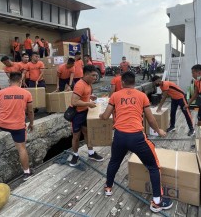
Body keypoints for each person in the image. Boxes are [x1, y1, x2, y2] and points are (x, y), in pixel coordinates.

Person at [99, 71, 172, 213]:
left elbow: (106, 116)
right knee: (153, 166)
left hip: (119, 136)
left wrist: (101, 115)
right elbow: (150, 119)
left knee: (114, 162)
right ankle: (157, 202)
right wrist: (159, 131)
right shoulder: (142, 96)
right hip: (137, 138)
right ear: (133, 82)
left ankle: (108, 187)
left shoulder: (115, 95)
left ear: (123, 82)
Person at [0, 72, 34, 181]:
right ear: (20, 81)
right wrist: (31, 123)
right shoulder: (27, 93)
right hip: (18, 127)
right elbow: (30, 111)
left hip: (2, 124)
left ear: (9, 81)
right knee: (21, 148)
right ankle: (26, 173)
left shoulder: (1, 92)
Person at [68, 65, 103, 166]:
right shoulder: (80, 85)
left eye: (96, 76)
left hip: (85, 112)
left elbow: (83, 96)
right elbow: (74, 101)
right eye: (93, 75)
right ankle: (75, 155)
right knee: (76, 136)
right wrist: (88, 103)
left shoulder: (88, 84)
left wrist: (90, 97)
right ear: (86, 74)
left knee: (87, 133)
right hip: (77, 114)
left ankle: (91, 153)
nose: (95, 78)